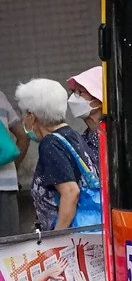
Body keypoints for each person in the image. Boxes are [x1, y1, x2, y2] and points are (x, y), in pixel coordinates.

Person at [14, 79, 100, 233]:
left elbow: (70, 192)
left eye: (24, 114)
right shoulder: (72, 135)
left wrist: (56, 236)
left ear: (32, 116)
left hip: (71, 238)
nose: (22, 119)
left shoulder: (50, 144)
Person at [0, 86, 23, 239]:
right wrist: (14, 166)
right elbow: (23, 137)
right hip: (6, 184)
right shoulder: (1, 96)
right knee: (10, 245)